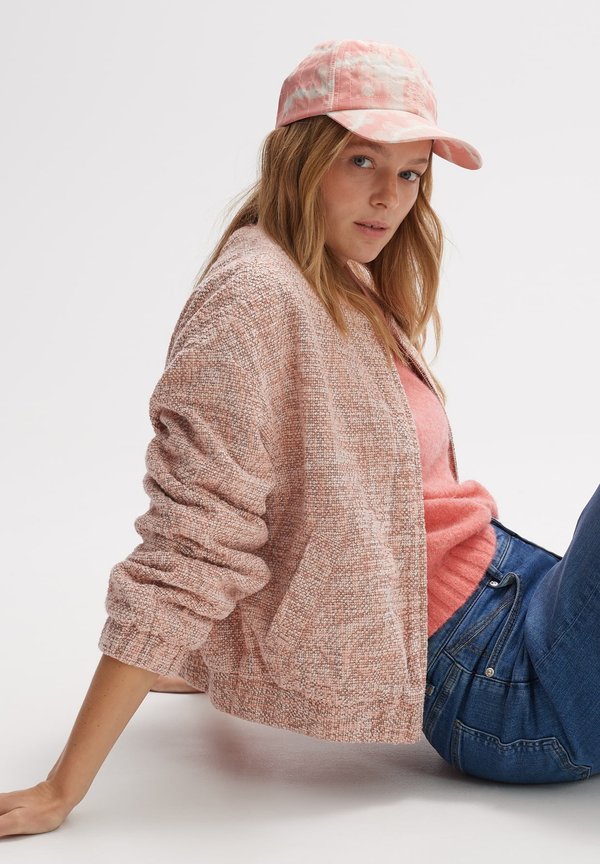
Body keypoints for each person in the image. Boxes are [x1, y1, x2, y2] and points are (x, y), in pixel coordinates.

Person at [2, 38, 599, 839]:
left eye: (411, 173)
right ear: (299, 158)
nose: (389, 197)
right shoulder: (254, 298)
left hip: (518, 585)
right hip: (497, 686)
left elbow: (295, 494)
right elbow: (194, 543)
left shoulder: (332, 270)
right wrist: (60, 788)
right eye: (362, 160)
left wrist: (210, 658)